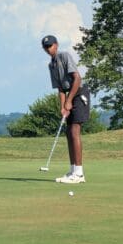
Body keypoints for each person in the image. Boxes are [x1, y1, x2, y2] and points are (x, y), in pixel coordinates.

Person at [41, 35, 90, 183]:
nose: (48, 49)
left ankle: (79, 173)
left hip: (80, 92)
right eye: (45, 47)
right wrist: (62, 107)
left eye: (50, 46)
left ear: (56, 45)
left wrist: (69, 101)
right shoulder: (51, 65)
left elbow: (77, 79)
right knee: (69, 132)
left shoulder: (64, 56)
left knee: (75, 130)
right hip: (69, 94)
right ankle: (72, 171)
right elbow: (61, 89)